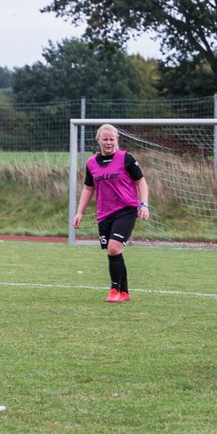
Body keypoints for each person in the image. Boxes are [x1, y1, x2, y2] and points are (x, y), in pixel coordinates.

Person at [72, 124, 150, 302]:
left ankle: (114, 290)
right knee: (113, 251)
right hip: (104, 214)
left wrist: (143, 204)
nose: (108, 142)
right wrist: (79, 212)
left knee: (114, 248)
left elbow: (141, 182)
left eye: (112, 139)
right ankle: (125, 292)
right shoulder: (91, 162)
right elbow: (88, 188)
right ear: (98, 140)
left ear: (117, 140)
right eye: (105, 139)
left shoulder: (126, 158)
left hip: (126, 210)